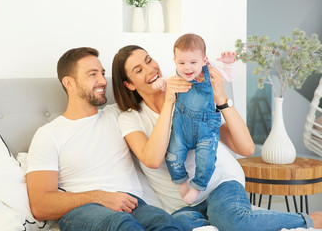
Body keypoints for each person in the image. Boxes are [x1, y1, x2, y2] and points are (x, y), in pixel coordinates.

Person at [111, 44, 322, 231]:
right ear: (129, 85)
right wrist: (168, 103)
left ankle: (310, 220)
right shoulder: (130, 119)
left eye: (149, 60)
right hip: (182, 206)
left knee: (233, 222)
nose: (150, 69)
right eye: (139, 70)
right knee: (183, 227)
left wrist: (220, 96)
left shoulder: (191, 91)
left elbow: (246, 148)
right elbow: (153, 159)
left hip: (219, 185)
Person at [26, 47, 183, 231]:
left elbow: (147, 85)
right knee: (122, 225)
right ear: (69, 83)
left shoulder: (120, 115)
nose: (102, 81)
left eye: (102, 73)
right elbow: (40, 205)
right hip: (85, 210)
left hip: (133, 205)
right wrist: (99, 196)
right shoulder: (49, 134)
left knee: (165, 223)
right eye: (92, 75)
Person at [151, 34, 236, 204]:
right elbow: (166, 83)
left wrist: (228, 63)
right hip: (182, 127)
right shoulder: (175, 77)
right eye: (181, 63)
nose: (187, 68)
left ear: (204, 60)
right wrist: (160, 83)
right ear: (175, 61)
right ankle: (182, 185)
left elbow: (229, 76)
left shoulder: (211, 72)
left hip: (206, 128)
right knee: (173, 157)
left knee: (206, 158)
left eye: (193, 62)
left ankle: (197, 188)